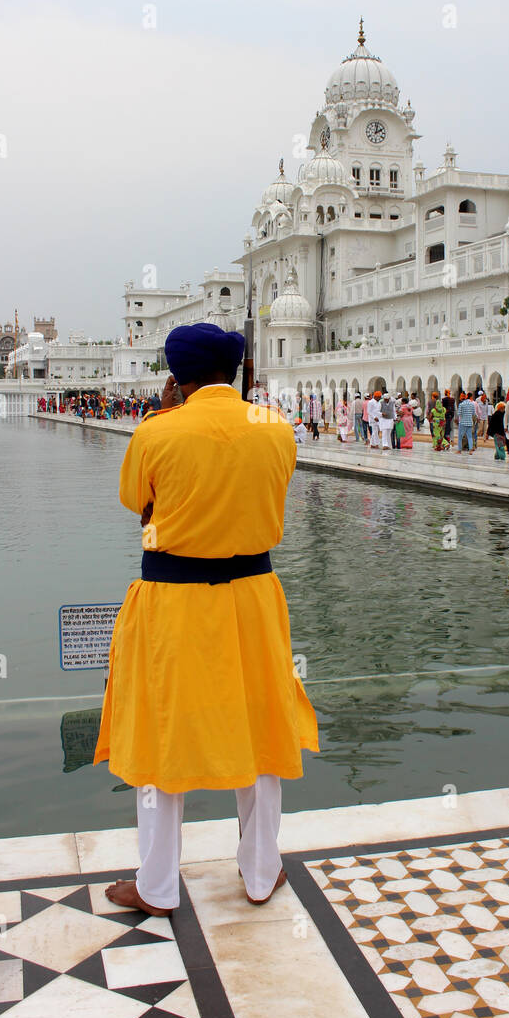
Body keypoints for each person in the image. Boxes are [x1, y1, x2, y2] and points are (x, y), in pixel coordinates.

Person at [95, 322, 319, 914]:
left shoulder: (156, 432)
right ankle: (260, 871)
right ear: (237, 370)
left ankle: (158, 884)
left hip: (175, 600)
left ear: (177, 377)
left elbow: (136, 504)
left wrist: (164, 418)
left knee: (159, 730)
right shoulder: (276, 428)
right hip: (253, 596)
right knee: (262, 728)